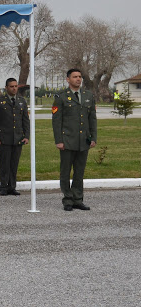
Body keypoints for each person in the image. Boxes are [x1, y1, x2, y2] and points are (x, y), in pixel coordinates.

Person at [52, 68, 97, 211]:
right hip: (67, 140)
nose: (78, 79)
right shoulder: (61, 97)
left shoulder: (88, 95)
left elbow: (92, 119)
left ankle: (78, 199)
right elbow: (56, 121)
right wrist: (59, 140)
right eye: (75, 77)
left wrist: (93, 137)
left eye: (80, 77)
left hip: (83, 140)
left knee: (79, 171)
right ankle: (67, 199)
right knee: (65, 171)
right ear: (68, 79)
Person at [0, 78, 30, 196]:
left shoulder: (22, 101)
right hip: (4, 138)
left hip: (18, 138)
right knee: (4, 163)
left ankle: (12, 187)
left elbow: (25, 121)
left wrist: (26, 136)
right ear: (6, 88)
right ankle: (3, 187)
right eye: (11, 86)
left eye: (16, 86)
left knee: (14, 164)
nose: (14, 88)